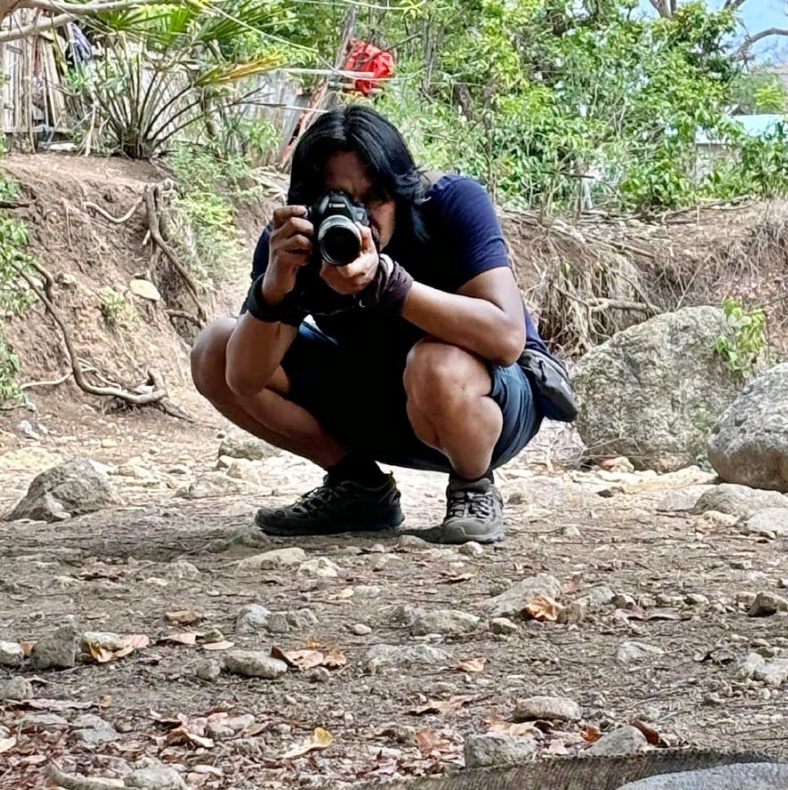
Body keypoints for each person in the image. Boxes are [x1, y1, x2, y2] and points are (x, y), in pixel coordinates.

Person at [190, 104, 570, 544]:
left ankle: (473, 486)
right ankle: (358, 487)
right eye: (339, 201)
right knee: (215, 347)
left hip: (483, 403)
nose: (359, 218)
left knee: (436, 364)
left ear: (399, 190)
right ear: (309, 202)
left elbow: (506, 338)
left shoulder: (448, 203)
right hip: (374, 395)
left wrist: (390, 286)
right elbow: (241, 376)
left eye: (373, 199)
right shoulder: (294, 243)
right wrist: (275, 291)